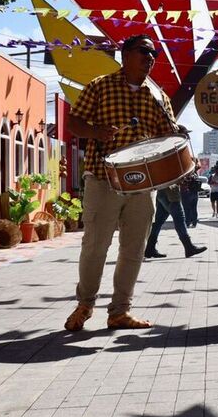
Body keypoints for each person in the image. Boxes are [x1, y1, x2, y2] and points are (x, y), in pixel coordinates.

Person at [63, 34, 182, 332]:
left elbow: (168, 135)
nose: (150, 57)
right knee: (95, 246)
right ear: (125, 54)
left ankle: (119, 311)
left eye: (154, 53)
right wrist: (96, 131)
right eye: (144, 51)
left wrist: (178, 137)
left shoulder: (157, 95)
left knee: (133, 249)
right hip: (104, 179)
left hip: (143, 184)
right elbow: (73, 124)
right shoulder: (100, 86)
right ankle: (85, 304)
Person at [144, 184, 206, 259]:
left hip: (161, 190)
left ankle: (150, 248)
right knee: (179, 219)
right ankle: (189, 247)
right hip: (171, 192)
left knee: (158, 221)